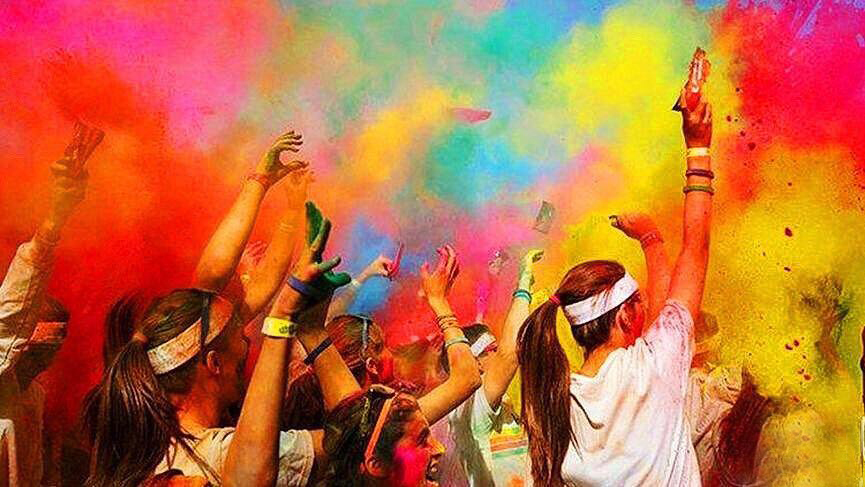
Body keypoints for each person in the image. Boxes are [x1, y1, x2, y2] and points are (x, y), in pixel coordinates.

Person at [82, 130, 324, 487]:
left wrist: (272, 195)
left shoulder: (132, 443)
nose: (247, 347)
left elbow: (215, 288)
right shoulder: (230, 454)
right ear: (213, 363)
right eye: (241, 348)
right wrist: (304, 327)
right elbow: (354, 442)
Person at [517, 89, 714, 486]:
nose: (649, 308)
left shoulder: (558, 397)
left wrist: (652, 242)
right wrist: (698, 147)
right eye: (639, 301)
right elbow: (695, 251)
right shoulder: (651, 370)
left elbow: (662, 320)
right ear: (625, 316)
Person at [321, 244, 480, 486]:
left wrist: (365, 275)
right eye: (384, 346)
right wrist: (438, 301)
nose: (392, 352)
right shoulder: (384, 421)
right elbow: (467, 377)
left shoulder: (338, 424)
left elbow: (320, 332)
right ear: (372, 365)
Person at [0, 121, 103, 487]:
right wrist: (53, 221)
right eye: (37, 349)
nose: (44, 361)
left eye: (52, 350)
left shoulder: (34, 397)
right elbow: (13, 310)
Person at [438, 249, 542, 487]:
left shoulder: (492, 401)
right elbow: (509, 354)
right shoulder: (472, 403)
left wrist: (492, 280)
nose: (498, 353)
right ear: (474, 362)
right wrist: (523, 284)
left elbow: (482, 319)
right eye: (492, 349)